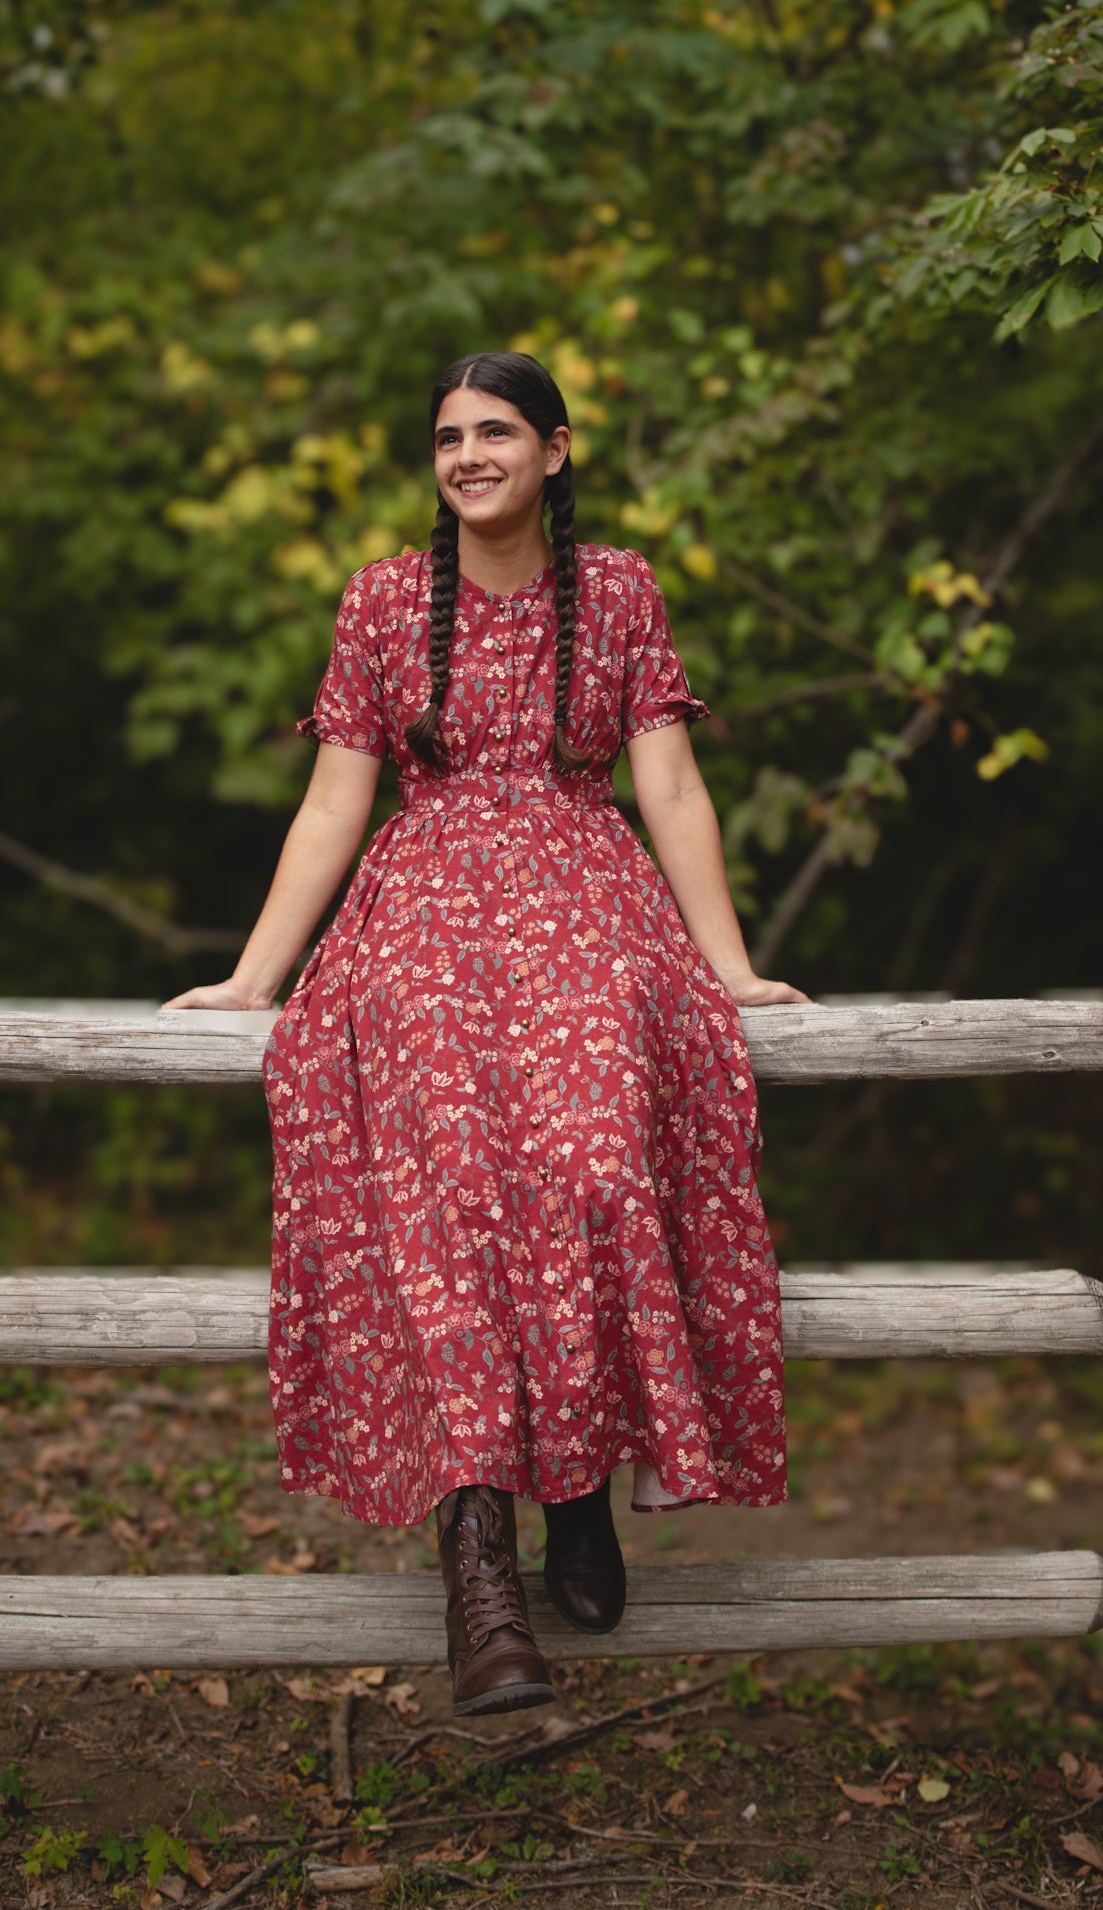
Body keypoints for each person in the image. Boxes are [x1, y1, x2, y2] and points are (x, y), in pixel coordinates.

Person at [165, 350, 809, 1718]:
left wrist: (731, 968)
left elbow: (673, 787)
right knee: (447, 1190)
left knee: (585, 1167)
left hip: (586, 893)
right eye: (447, 437)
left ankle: (576, 1488)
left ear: (555, 451)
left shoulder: (617, 591)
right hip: (425, 912)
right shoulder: (387, 598)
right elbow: (336, 801)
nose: (466, 456)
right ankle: (480, 1577)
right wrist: (249, 978)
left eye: (495, 432)